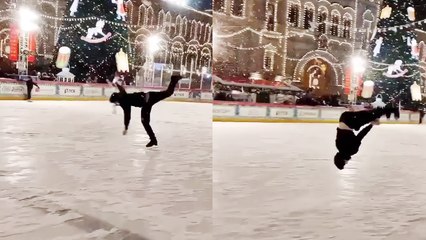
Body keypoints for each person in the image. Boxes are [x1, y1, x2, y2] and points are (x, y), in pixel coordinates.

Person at [109, 75, 182, 147]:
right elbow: (121, 89)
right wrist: (116, 84)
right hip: (148, 97)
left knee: (145, 122)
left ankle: (153, 140)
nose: (116, 104)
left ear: (116, 100)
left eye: (115, 102)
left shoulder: (123, 102)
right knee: (167, 93)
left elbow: (127, 114)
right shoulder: (123, 95)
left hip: (147, 102)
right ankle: (153, 140)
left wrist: (126, 127)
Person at [334, 106, 398, 170]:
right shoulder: (338, 146)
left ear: (343, 160)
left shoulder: (351, 151)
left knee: (372, 116)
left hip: (351, 122)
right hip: (343, 118)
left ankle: (392, 110)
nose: (347, 162)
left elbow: (361, 135)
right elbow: (343, 132)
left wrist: (371, 125)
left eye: (345, 163)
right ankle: (385, 111)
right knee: (368, 117)